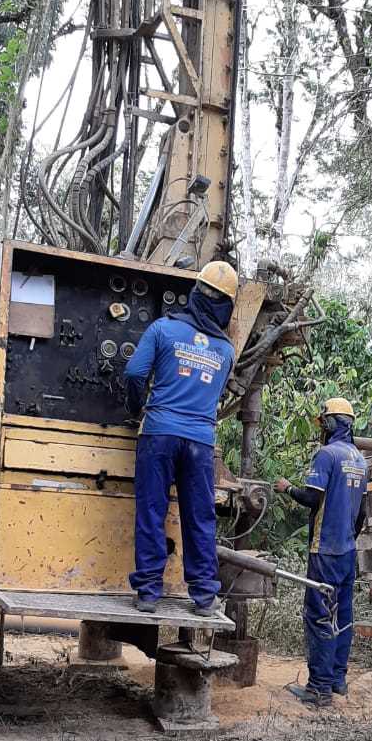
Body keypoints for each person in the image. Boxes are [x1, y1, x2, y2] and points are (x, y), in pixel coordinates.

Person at [124, 260, 237, 615]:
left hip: (159, 434)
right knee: (200, 517)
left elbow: (133, 373)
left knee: (152, 511)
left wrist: (135, 410)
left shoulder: (162, 329)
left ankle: (148, 593)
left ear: (194, 293)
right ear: (226, 307)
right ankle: (204, 595)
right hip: (201, 441)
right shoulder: (226, 350)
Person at [274, 397, 367, 707]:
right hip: (348, 551)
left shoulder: (327, 455)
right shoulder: (359, 459)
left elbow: (312, 498)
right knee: (342, 615)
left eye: (322, 423)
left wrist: (286, 488)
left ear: (329, 423)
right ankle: (337, 679)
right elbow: (362, 513)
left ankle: (318, 689)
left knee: (319, 616)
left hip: (325, 550)